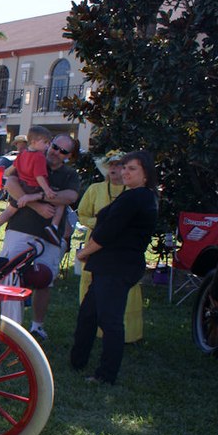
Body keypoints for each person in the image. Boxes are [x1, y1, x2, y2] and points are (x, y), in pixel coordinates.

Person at [71, 150, 158, 384]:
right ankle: (76, 361)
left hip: (117, 266)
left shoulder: (136, 197)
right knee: (88, 314)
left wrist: (83, 252)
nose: (125, 172)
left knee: (110, 321)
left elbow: (108, 233)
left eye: (132, 169)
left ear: (146, 175)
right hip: (110, 266)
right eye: (124, 167)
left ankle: (106, 375)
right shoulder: (137, 196)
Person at [0, 133, 81, 341]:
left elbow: (70, 197)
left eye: (63, 151)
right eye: (54, 146)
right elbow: (10, 184)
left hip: (50, 235)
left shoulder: (70, 174)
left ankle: (37, 326)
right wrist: (39, 206)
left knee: (45, 280)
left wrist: (37, 196)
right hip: (21, 228)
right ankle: (6, 326)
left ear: (68, 156)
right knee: (9, 276)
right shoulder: (30, 158)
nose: (56, 152)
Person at [77, 149, 143, 343]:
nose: (115, 169)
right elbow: (82, 214)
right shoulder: (95, 189)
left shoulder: (134, 193)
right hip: (94, 244)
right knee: (90, 285)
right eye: (112, 165)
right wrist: (98, 225)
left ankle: (127, 333)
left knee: (125, 293)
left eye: (119, 165)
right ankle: (90, 329)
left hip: (121, 252)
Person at [0, 126, 62, 247]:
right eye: (45, 142)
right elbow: (39, 176)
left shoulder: (22, 154)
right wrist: (47, 189)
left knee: (9, 210)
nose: (47, 146)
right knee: (59, 203)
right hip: (34, 187)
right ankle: (54, 227)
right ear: (34, 142)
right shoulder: (39, 156)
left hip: (21, 187)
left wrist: (5, 178)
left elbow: (10, 170)